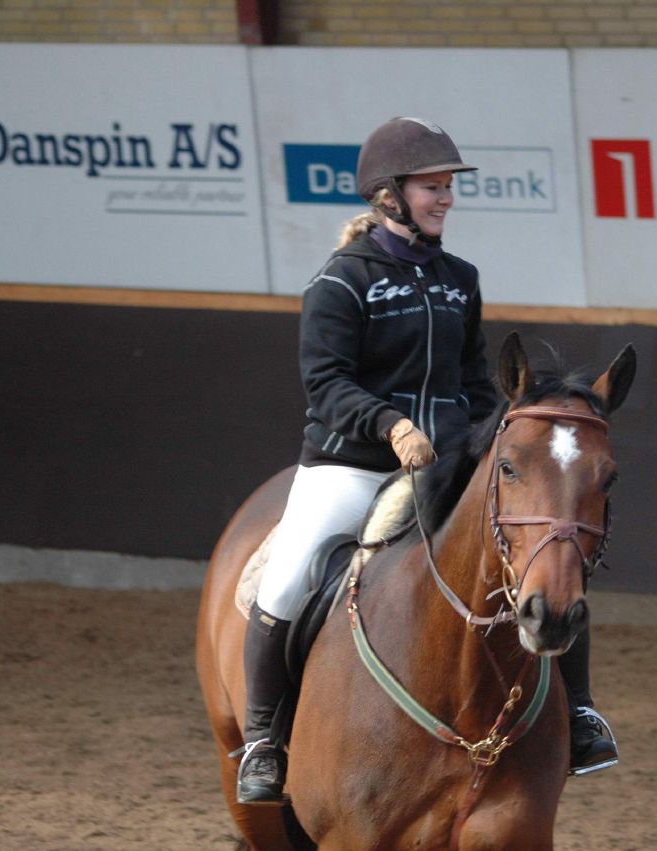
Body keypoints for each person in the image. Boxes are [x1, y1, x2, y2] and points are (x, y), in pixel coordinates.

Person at [236, 116, 618, 806]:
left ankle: (581, 711)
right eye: (431, 188)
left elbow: (476, 382)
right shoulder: (339, 282)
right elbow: (326, 384)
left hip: (446, 460)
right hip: (351, 464)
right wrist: (391, 424)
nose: (445, 199)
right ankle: (264, 738)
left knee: (548, 552)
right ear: (388, 195)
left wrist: (491, 434)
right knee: (288, 573)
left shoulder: (458, 279)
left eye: (447, 188)